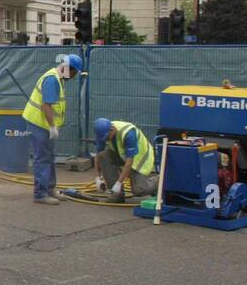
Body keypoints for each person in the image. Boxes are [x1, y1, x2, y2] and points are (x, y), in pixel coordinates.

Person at [21, 54, 83, 206]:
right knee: (42, 158)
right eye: (74, 73)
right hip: (39, 124)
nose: (74, 77)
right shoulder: (52, 79)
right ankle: (40, 194)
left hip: (43, 124)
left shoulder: (57, 78)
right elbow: (46, 106)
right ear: (68, 69)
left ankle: (49, 189)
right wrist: (52, 127)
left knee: (48, 157)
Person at [93, 118, 159, 202]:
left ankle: (157, 181)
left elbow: (129, 162)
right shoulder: (103, 133)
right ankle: (117, 194)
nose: (106, 140)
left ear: (112, 130)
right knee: (103, 155)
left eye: (107, 137)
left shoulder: (128, 133)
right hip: (123, 155)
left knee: (139, 190)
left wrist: (119, 183)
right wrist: (98, 178)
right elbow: (98, 156)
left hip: (140, 159)